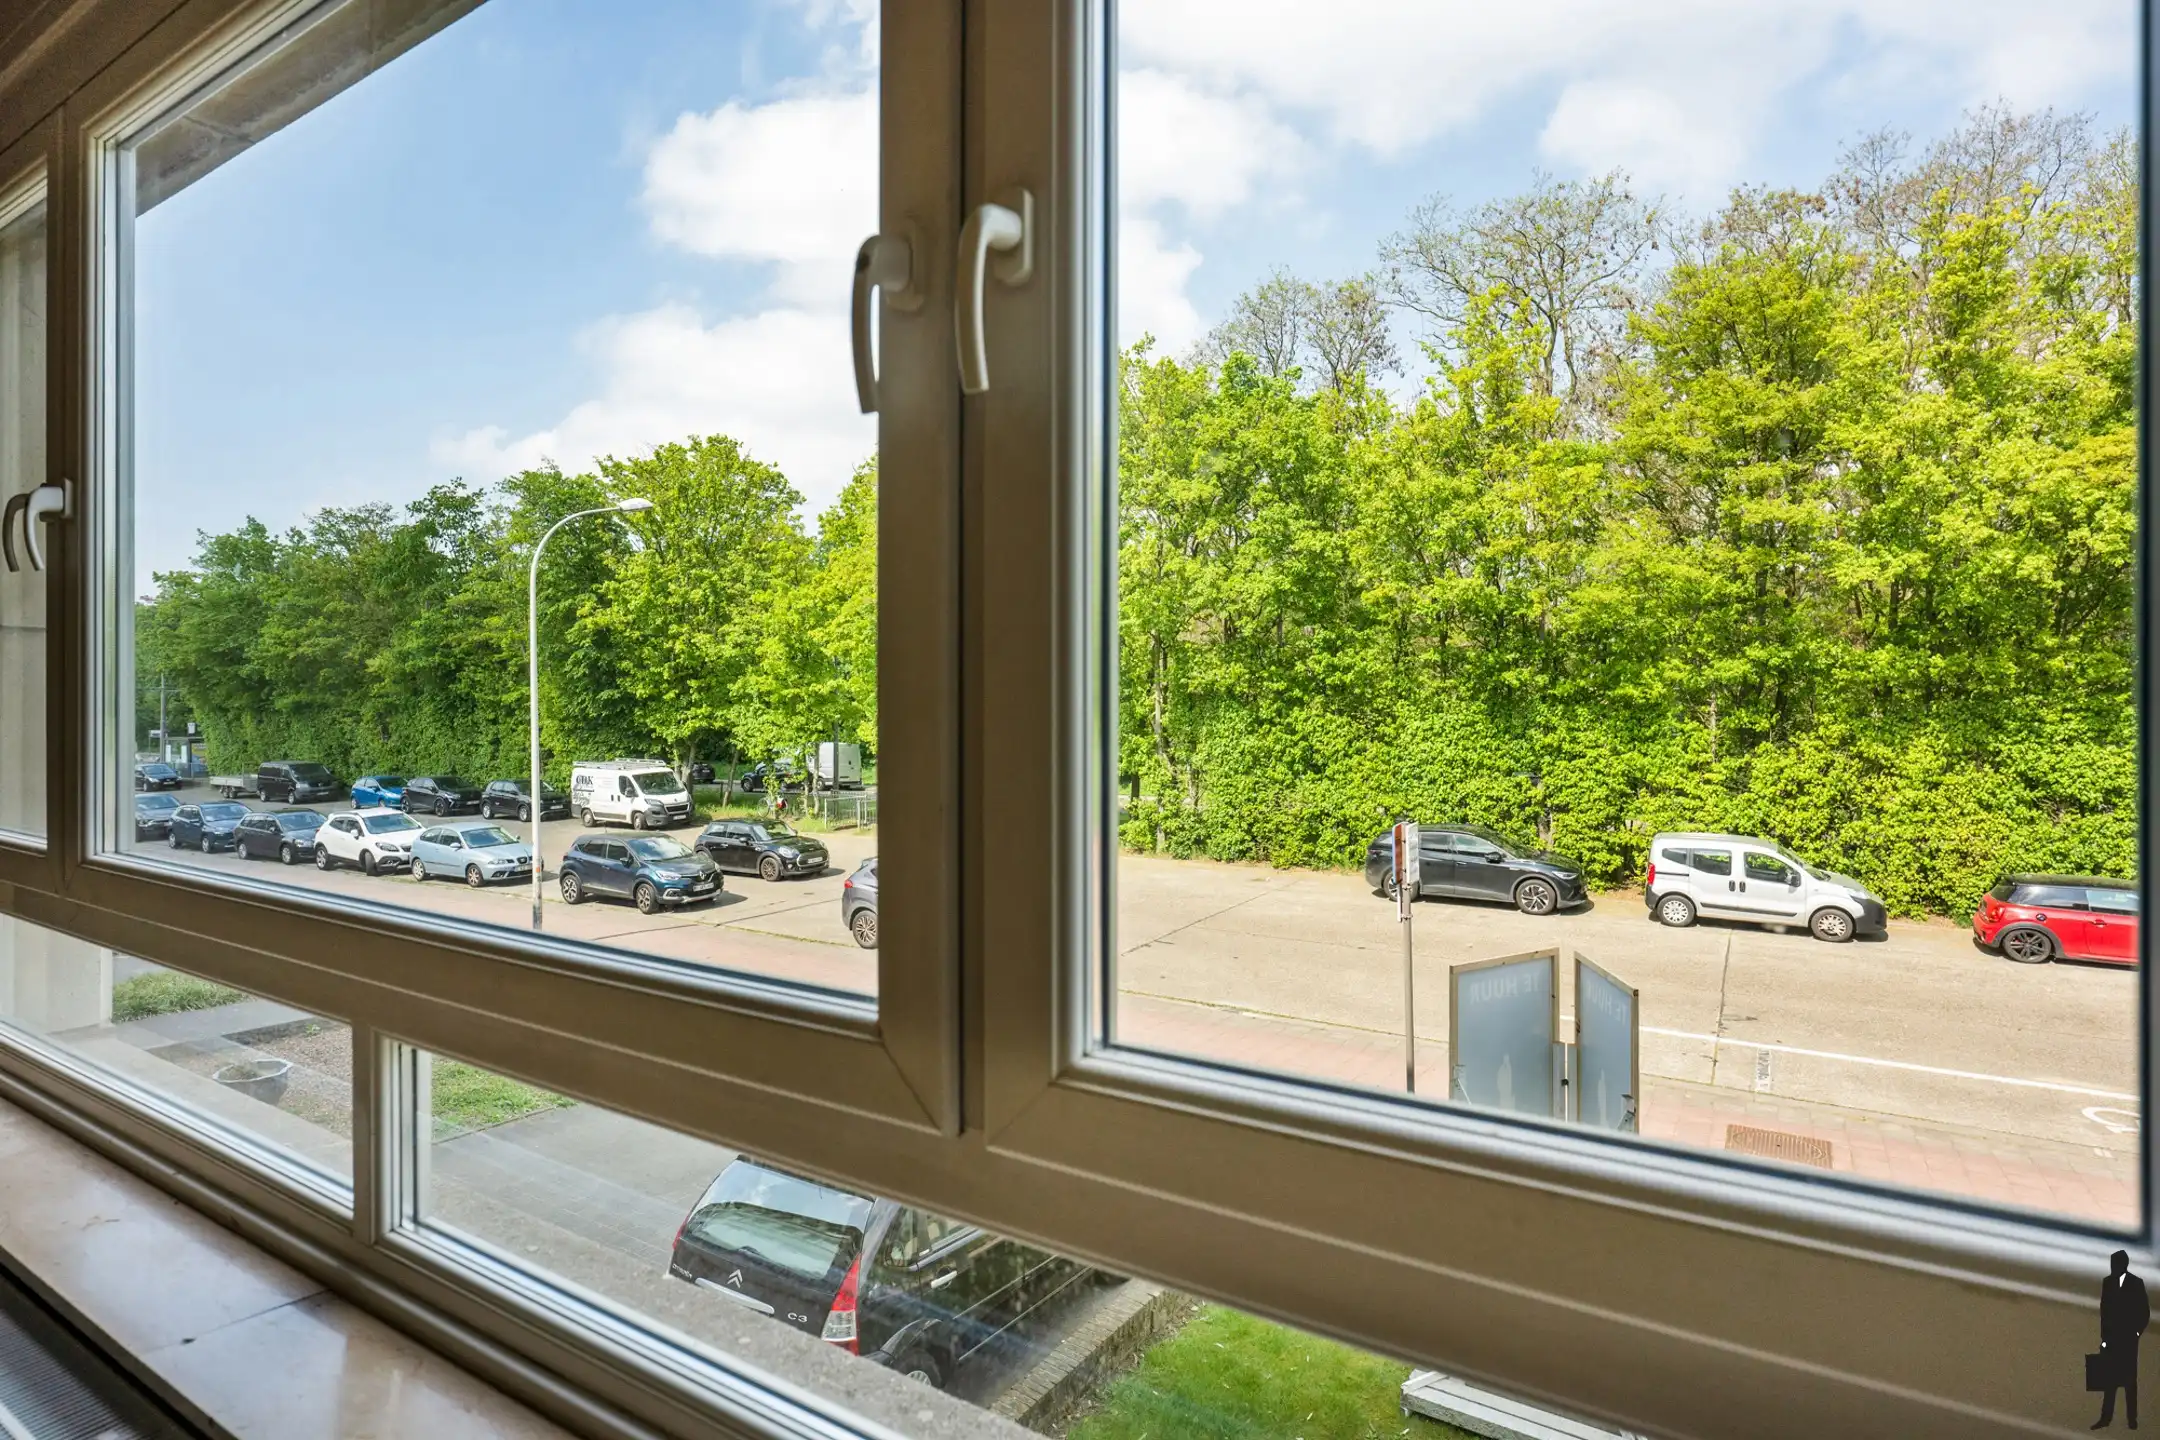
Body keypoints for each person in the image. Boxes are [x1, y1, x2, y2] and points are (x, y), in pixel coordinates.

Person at [2096, 1249, 2149, 1429]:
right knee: (2109, 1380)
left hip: (2128, 1340)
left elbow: (2144, 1312)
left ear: (2123, 1265)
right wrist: (2104, 1338)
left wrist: (2135, 1334)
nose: (2113, 1267)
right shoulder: (2108, 1282)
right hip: (2111, 1339)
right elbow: (2104, 1312)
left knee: (2129, 1382)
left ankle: (2131, 1420)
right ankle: (2106, 1417)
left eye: (2115, 1264)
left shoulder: (2136, 1283)